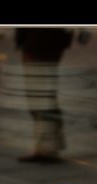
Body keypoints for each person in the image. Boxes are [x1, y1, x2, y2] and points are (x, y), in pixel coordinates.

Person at [14, 28, 74, 162]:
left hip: (40, 40)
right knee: (43, 93)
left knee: (39, 94)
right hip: (48, 39)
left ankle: (47, 147)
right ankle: (49, 145)